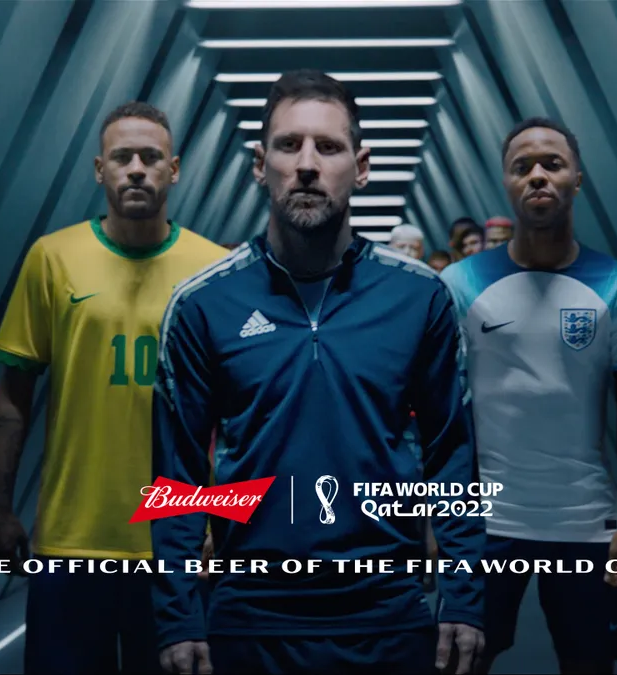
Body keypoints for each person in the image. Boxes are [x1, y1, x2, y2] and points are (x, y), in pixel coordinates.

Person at [151, 69, 485, 675]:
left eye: (328, 147)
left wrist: (464, 594)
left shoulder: (421, 298)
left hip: (389, 614)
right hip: (250, 618)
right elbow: (175, 476)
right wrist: (178, 614)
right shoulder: (202, 304)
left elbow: (452, 456)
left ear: (361, 167)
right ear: (260, 164)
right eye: (288, 145)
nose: (307, 164)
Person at [0, 101, 229, 674]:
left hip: (176, 544)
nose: (137, 169)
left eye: (151, 157)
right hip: (72, 540)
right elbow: (12, 399)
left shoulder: (214, 270)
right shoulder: (53, 258)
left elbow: (232, 418)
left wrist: (222, 518)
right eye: (123, 158)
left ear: (174, 169)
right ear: (100, 170)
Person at [440, 116, 617, 675]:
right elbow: (435, 415)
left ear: (577, 180)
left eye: (553, 165)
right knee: (458, 663)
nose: (538, 176)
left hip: (585, 524)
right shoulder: (459, 284)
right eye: (523, 167)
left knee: (589, 665)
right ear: (507, 183)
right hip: (484, 521)